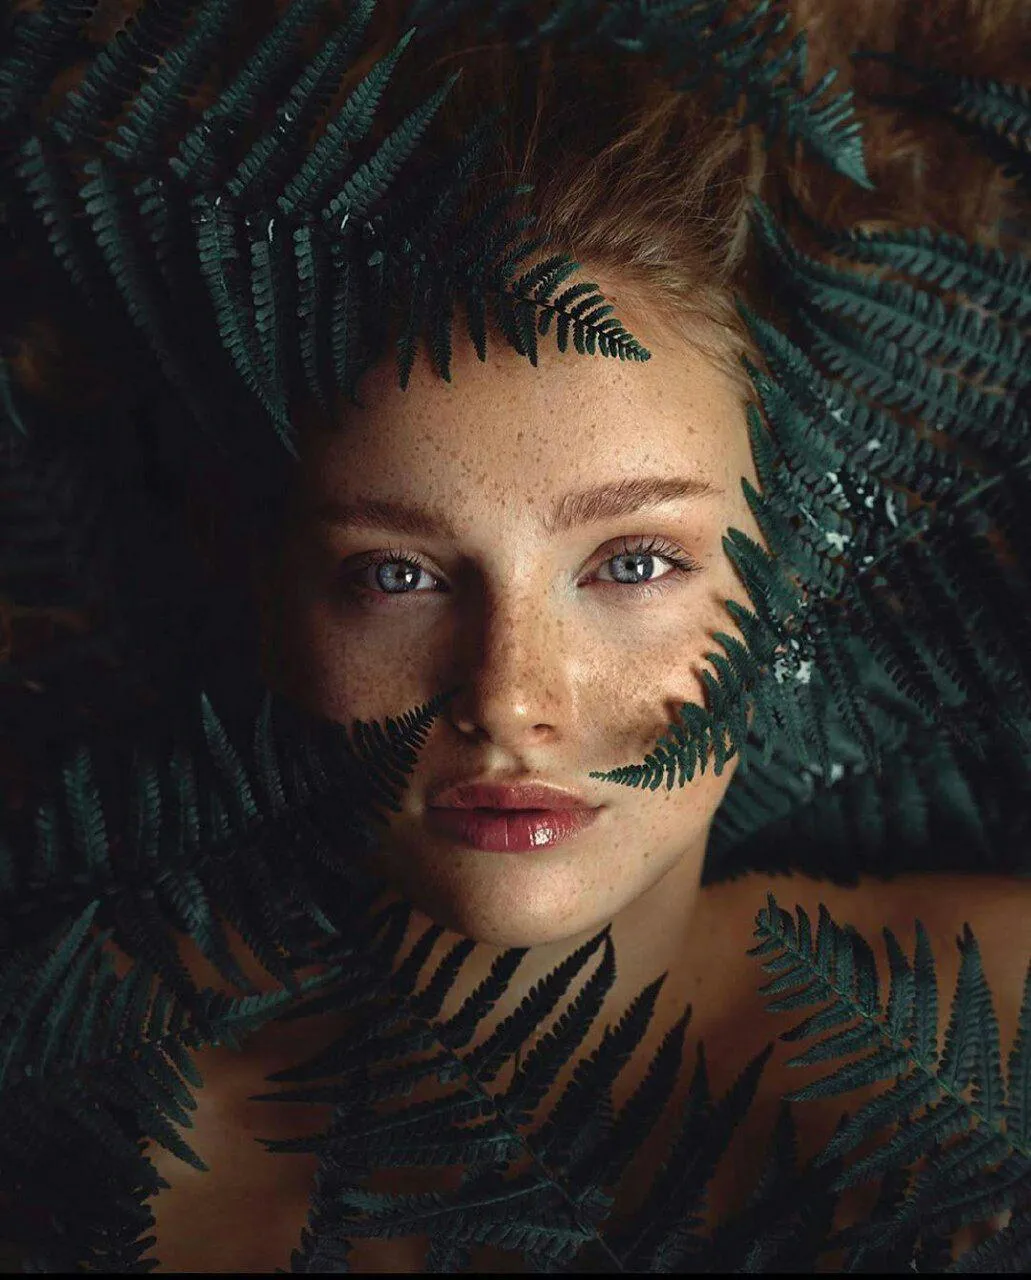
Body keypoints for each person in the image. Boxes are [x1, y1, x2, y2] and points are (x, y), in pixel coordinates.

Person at [5, 0, 1027, 1272]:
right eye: (397, 571)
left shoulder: (1007, 1025)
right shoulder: (88, 1174)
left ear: (787, 576)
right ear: (268, 590)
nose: (506, 696)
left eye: (634, 561)